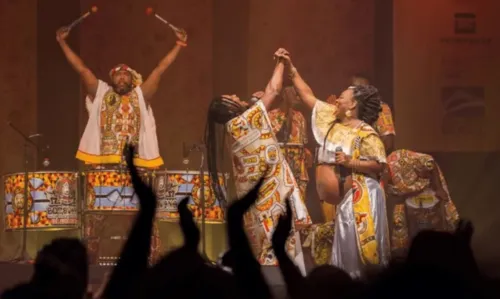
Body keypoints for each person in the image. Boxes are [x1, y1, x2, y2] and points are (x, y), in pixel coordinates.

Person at [282, 50, 390, 277]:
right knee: (344, 249)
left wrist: (352, 162)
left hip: (363, 199)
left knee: (360, 252)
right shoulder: (331, 118)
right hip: (344, 201)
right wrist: (291, 68)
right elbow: (308, 95)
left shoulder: (365, 133)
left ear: (352, 106)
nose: (337, 100)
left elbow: (380, 166)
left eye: (342, 97)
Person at [204, 49, 310, 270]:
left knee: (267, 253)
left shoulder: (233, 130)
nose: (237, 97)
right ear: (228, 109)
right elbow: (274, 89)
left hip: (258, 203)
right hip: (272, 201)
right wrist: (281, 61)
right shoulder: (244, 122)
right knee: (282, 256)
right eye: (231, 99)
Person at [56, 25, 188, 168]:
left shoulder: (140, 95)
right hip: (104, 166)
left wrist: (179, 44)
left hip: (135, 166)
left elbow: (160, 69)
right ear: (112, 79)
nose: (122, 78)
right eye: (118, 75)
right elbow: (82, 69)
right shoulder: (101, 92)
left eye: (126, 75)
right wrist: (62, 42)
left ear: (132, 80)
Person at [385, 149, 460, 257]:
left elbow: (430, 162)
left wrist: (438, 188)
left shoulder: (397, 159)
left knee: (438, 220)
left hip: (430, 186)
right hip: (413, 195)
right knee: (402, 223)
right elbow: (398, 193)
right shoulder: (385, 183)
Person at [254, 87, 313, 208]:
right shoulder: (272, 115)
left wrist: (307, 151)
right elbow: (267, 138)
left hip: (297, 163)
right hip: (279, 162)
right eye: (290, 92)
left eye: (295, 93)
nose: (294, 96)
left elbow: (302, 141)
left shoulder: (299, 117)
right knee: (279, 201)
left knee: (298, 202)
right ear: (284, 93)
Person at [351, 74, 396, 154]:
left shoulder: (380, 108)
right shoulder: (346, 108)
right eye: (354, 88)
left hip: (373, 159)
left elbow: (388, 144)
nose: (357, 93)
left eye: (362, 88)